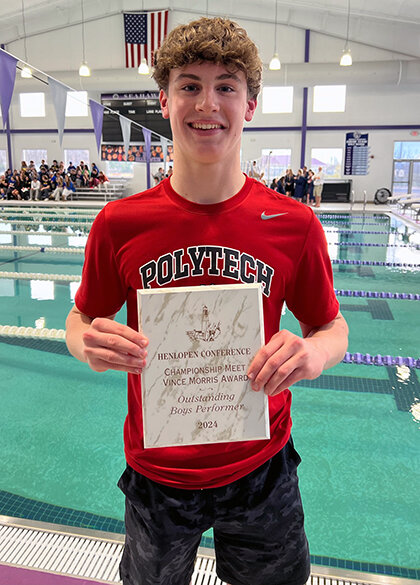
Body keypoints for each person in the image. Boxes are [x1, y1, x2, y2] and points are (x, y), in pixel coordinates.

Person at [66, 16, 348, 585]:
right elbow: (80, 319)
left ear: (249, 104)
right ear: (164, 101)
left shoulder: (293, 224)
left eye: (226, 86)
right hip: (158, 473)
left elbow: (331, 325)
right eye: (189, 85)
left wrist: (314, 355)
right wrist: (86, 345)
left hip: (262, 467)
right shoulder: (120, 224)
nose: (207, 103)